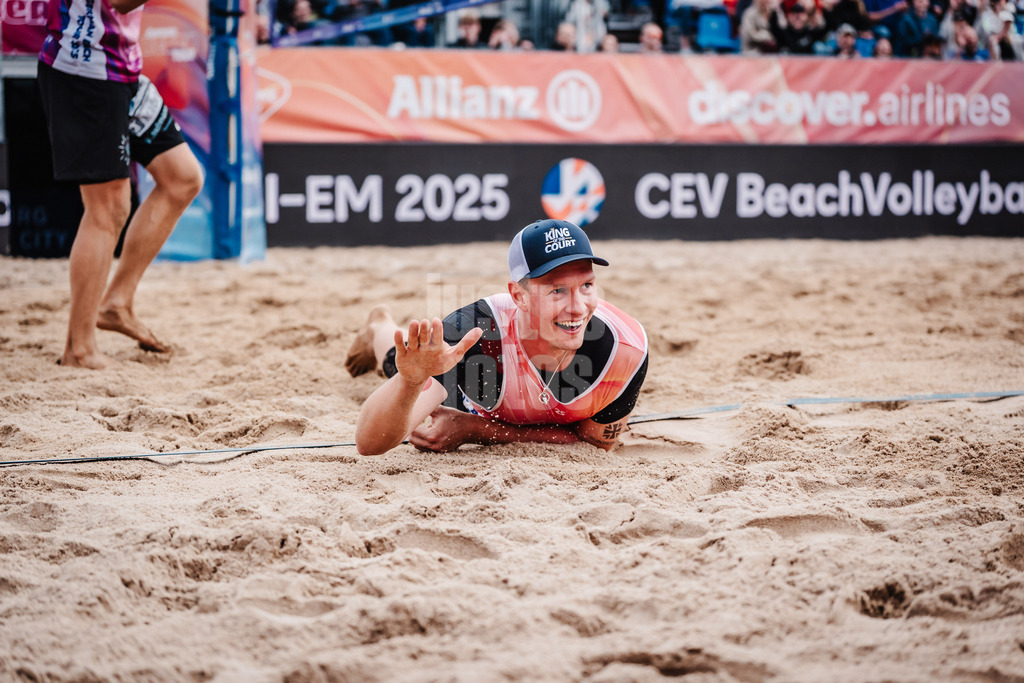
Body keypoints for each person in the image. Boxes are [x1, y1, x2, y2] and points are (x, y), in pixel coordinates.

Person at [345, 220, 650, 456]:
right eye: (557, 290)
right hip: (478, 394)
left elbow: (595, 444)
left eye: (586, 285)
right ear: (519, 296)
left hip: (484, 415)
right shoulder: (473, 333)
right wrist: (411, 381)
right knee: (399, 366)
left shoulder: (625, 351)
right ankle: (379, 327)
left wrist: (475, 430)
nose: (577, 307)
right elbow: (370, 445)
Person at [37, 0, 204, 369]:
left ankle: (116, 303)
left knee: (182, 178)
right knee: (108, 210)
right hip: (85, 71)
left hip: (120, 68)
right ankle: (78, 349)